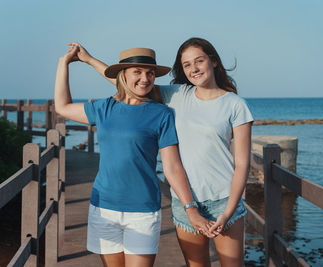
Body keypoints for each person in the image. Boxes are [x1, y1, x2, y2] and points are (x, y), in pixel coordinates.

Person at [72, 37, 253, 267]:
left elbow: (242, 164)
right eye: (187, 64)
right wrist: (88, 60)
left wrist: (227, 213)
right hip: (185, 203)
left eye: (199, 61)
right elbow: (128, 82)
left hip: (224, 201)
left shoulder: (236, 105)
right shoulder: (176, 96)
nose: (194, 68)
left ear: (214, 61)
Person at [54, 44, 214, 267]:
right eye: (137, 72)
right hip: (103, 208)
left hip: (142, 210)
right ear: (123, 75)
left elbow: (172, 167)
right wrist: (65, 63)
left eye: (150, 73)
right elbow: (62, 107)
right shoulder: (104, 108)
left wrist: (191, 208)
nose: (145, 78)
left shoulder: (162, 114)